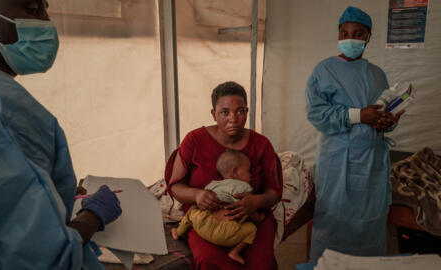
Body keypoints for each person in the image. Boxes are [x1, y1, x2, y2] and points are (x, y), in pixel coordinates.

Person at [0, 0, 122, 269]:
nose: (47, 23)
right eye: (33, 10)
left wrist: (47, 188)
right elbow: (40, 257)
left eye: (46, 10)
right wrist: (92, 215)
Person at [305, 6, 404, 261]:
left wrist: (387, 121)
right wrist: (360, 115)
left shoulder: (377, 74)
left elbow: (382, 114)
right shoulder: (323, 71)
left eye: (358, 33)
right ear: (338, 34)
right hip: (338, 161)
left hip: (372, 161)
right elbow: (317, 114)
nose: (351, 38)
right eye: (344, 32)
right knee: (335, 220)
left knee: (369, 223)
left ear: (368, 37)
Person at [165, 81, 283, 270]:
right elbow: (176, 185)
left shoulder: (261, 145)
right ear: (214, 114)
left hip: (250, 220)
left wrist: (255, 202)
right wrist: (197, 195)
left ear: (247, 111)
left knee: (261, 265)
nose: (233, 119)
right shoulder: (194, 140)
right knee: (209, 261)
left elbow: (274, 192)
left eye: (240, 111)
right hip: (207, 222)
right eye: (225, 112)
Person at [171, 150, 265, 265]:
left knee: (192, 212)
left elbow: (201, 203)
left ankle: (178, 231)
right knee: (251, 228)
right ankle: (235, 252)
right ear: (235, 171)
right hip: (227, 231)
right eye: (248, 171)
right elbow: (246, 208)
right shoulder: (244, 187)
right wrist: (258, 216)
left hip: (204, 225)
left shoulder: (213, 184)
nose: (251, 174)